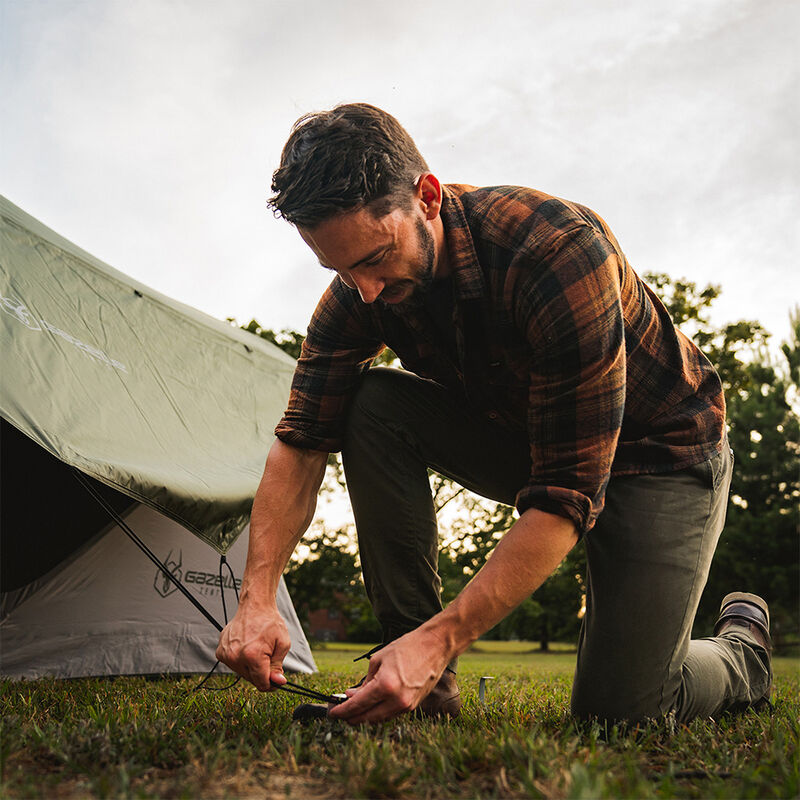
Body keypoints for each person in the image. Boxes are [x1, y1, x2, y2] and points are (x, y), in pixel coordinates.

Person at [216, 103, 772, 725]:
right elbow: (300, 442)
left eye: (373, 258)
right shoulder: (357, 294)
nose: (364, 289)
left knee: (621, 714)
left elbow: (565, 492)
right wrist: (256, 598)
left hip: (660, 458)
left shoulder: (557, 254)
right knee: (371, 403)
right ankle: (419, 680)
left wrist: (446, 635)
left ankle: (741, 652)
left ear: (427, 198)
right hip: (533, 439)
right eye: (340, 269)